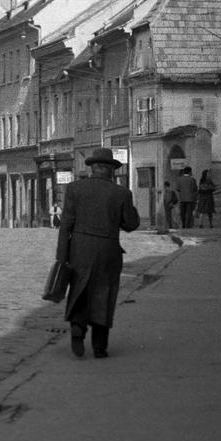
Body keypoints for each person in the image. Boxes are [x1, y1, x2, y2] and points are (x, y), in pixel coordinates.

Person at [56, 146, 141, 358]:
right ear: (111, 170)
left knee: (80, 289)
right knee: (105, 293)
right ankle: (99, 346)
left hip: (80, 248)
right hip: (108, 249)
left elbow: (65, 225)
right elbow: (131, 224)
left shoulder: (75, 189)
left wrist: (61, 258)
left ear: (92, 168)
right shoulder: (121, 193)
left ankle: (77, 327)